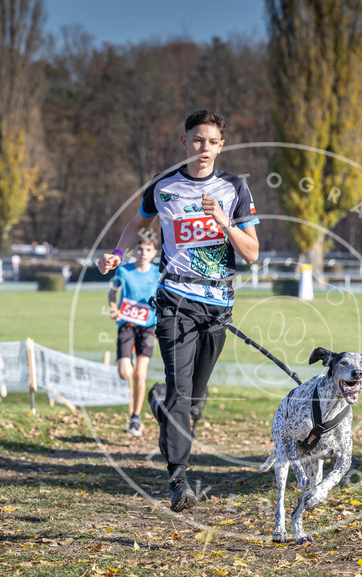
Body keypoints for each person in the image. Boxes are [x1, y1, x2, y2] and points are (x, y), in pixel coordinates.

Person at [97, 110, 260, 512]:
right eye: (197, 140)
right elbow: (137, 225)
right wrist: (118, 254)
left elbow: (253, 254)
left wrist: (223, 221)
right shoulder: (163, 186)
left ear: (222, 145)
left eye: (212, 141)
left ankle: (159, 405)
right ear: (184, 142)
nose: (204, 148)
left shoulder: (234, 188)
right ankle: (178, 482)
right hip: (174, 301)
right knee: (181, 391)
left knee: (194, 400)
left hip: (218, 306)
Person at [108, 230, 160, 436]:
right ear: (134, 250)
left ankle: (135, 419)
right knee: (125, 372)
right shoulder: (123, 271)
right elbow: (113, 291)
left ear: (154, 252)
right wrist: (113, 307)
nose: (143, 253)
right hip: (127, 325)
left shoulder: (158, 273)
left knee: (140, 374)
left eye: (148, 249)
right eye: (140, 249)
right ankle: (132, 411)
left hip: (148, 326)